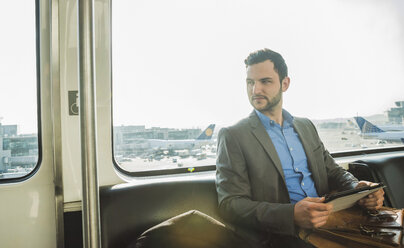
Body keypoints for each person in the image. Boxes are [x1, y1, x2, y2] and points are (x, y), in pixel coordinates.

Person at [215, 48, 385, 248]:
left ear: (285, 84)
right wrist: (291, 215)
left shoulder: (305, 126)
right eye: (250, 82)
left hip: (333, 223)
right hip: (283, 236)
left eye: (265, 81)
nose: (255, 90)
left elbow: (333, 171)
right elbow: (230, 204)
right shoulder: (234, 135)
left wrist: (357, 189)